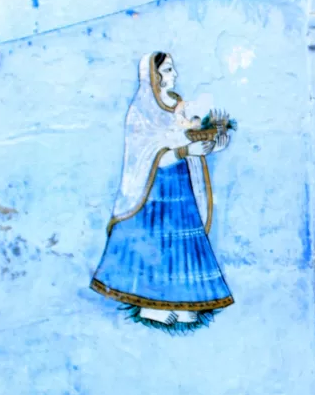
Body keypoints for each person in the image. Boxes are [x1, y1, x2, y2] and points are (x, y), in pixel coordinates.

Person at [91, 52, 234, 332]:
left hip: (180, 189)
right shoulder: (141, 111)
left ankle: (182, 304)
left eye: (172, 69)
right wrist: (183, 150)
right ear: (153, 76)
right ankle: (151, 306)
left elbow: (188, 140)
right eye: (167, 70)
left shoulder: (179, 107)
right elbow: (144, 151)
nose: (174, 75)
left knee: (180, 246)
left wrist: (213, 144)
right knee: (153, 245)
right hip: (153, 193)